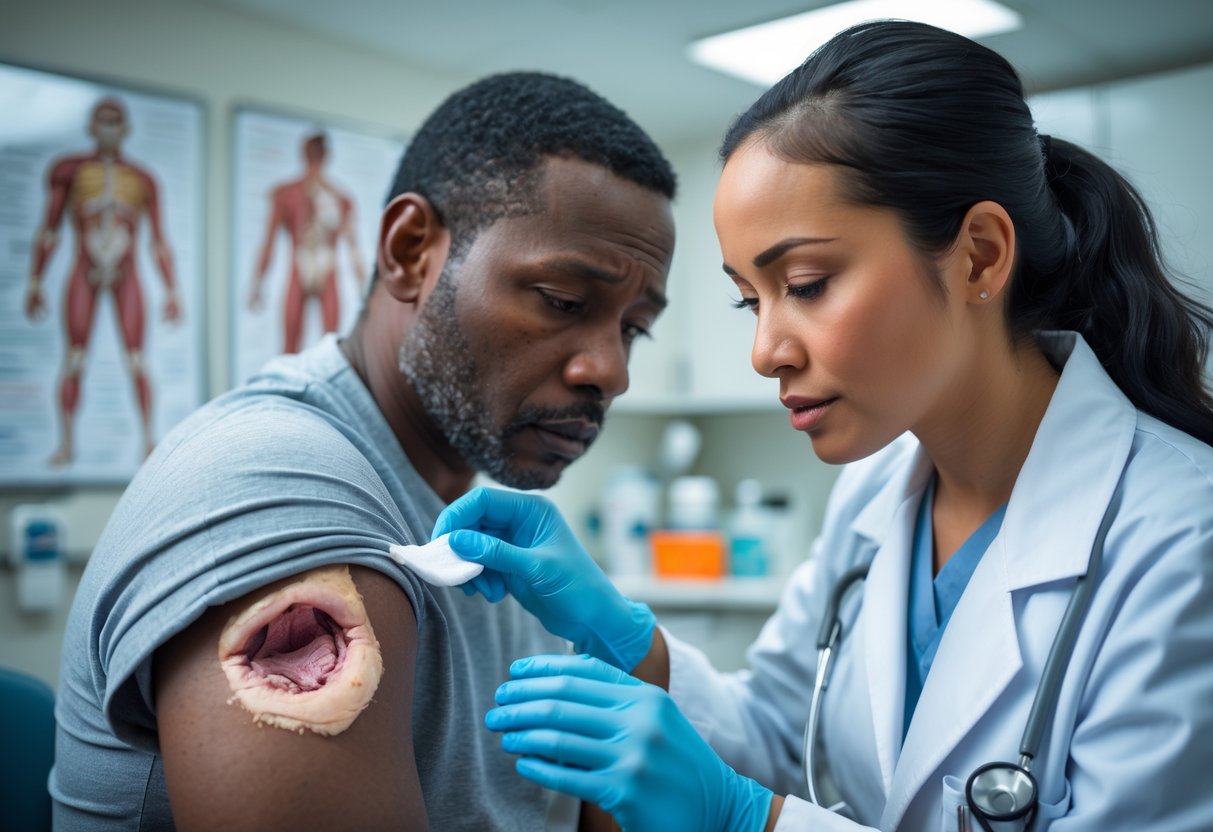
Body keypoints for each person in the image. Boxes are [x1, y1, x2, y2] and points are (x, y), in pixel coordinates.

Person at [433, 21, 1213, 832]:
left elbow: (757, 795)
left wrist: (748, 820)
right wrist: (630, 640)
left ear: (978, 255)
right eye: (749, 300)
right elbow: (775, 731)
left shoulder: (1181, 539)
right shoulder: (875, 496)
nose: (765, 351)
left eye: (804, 283)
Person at [50, 71, 676, 830]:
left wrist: (640, 664)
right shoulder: (273, 487)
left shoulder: (496, 549)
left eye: (632, 328)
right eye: (562, 303)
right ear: (411, 251)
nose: (609, 371)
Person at [25, 96, 182, 465]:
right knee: (75, 358)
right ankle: (66, 444)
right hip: (86, 269)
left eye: (115, 121)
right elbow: (49, 231)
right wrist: (35, 281)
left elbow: (159, 240)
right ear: (91, 127)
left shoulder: (143, 179)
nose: (109, 128)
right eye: (103, 121)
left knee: (137, 359)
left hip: (127, 274)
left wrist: (172, 289)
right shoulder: (68, 171)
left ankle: (148, 439)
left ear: (124, 128)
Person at [248, 131, 367, 354]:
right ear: (327, 155)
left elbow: (353, 249)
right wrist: (256, 284)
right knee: (300, 346)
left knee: (329, 346)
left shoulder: (339, 198)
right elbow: (268, 244)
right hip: (305, 262)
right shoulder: (288, 194)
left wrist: (257, 284)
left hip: (324, 264)